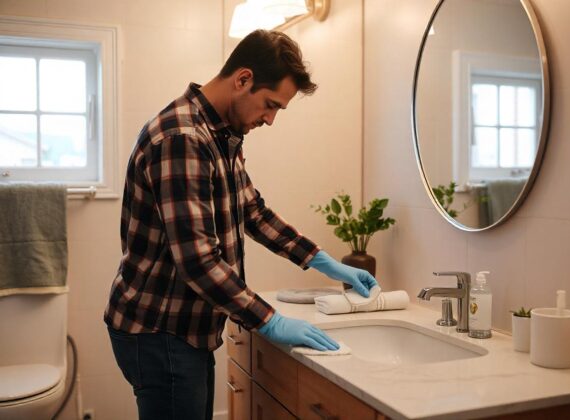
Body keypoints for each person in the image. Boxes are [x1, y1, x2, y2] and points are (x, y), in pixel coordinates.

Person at [104, 29, 378, 420]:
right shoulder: (183, 137)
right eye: (270, 105)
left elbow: (253, 212)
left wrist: (322, 260)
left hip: (182, 328)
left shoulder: (221, 134)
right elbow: (198, 261)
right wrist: (271, 320)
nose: (269, 120)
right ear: (243, 79)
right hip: (159, 329)